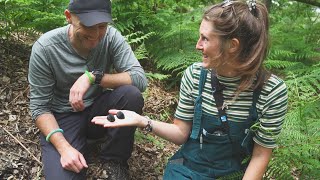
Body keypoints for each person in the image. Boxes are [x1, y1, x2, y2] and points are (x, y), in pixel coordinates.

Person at [92, 0, 288, 179]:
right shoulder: (195, 75)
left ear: (232, 45)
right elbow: (180, 133)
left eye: (205, 38)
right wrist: (142, 121)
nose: (197, 45)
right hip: (188, 170)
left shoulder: (271, 91)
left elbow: (260, 155)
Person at [28, 0, 147, 179]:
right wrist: (64, 147)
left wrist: (93, 77)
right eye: (87, 25)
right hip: (63, 118)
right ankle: (77, 144)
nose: (95, 33)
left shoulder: (111, 37)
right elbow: (39, 108)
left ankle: (115, 160)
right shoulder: (45, 48)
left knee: (131, 95)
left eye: (102, 26)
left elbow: (139, 79)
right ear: (69, 17)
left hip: (98, 112)